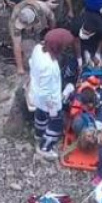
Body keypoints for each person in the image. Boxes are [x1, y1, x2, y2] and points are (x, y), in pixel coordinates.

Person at [29, 27, 74, 159]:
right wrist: (56, 104)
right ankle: (45, 147)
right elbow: (46, 92)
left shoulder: (38, 48)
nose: (65, 49)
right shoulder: (50, 66)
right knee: (56, 123)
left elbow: (31, 63)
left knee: (40, 114)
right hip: (49, 99)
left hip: (35, 91)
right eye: (64, 46)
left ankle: (39, 134)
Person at [9, 0, 54, 76]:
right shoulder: (15, 20)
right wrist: (20, 68)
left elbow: (52, 19)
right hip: (25, 34)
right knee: (29, 60)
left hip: (39, 26)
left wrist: (51, 33)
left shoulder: (43, 8)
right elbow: (16, 45)